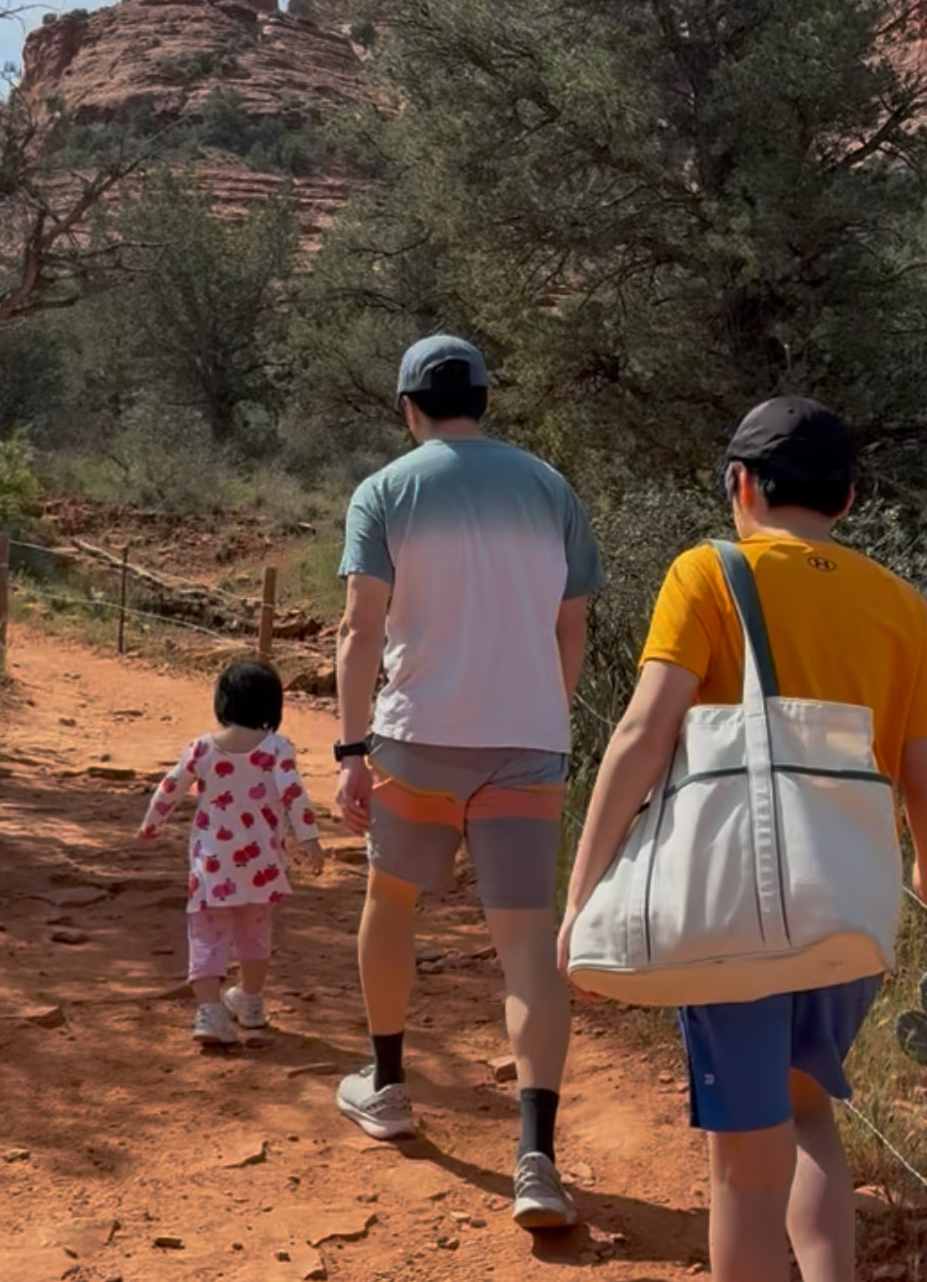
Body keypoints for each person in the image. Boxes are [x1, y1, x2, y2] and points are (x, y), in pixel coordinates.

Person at [559, 395, 927, 1282]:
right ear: (849, 499)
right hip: (846, 913)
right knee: (810, 1113)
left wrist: (584, 890)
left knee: (743, 1167)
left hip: (732, 912)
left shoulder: (708, 573)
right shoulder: (899, 603)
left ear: (741, 485)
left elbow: (643, 734)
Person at [332, 333, 603, 1230]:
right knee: (526, 942)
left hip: (418, 739)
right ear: (485, 400)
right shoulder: (550, 488)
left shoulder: (385, 491)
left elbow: (359, 629)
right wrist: (543, 713)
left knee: (392, 903)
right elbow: (572, 626)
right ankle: (537, 1158)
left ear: (408, 408)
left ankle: (387, 1085)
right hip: (526, 743)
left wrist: (350, 749)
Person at [137, 658, 323, 1048]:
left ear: (223, 701)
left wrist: (152, 824)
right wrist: (309, 840)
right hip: (262, 867)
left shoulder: (202, 748)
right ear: (273, 705)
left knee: (206, 935)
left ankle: (211, 1012)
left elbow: (170, 787)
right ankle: (250, 1001)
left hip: (212, 867)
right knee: (255, 934)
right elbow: (295, 796)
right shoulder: (278, 748)